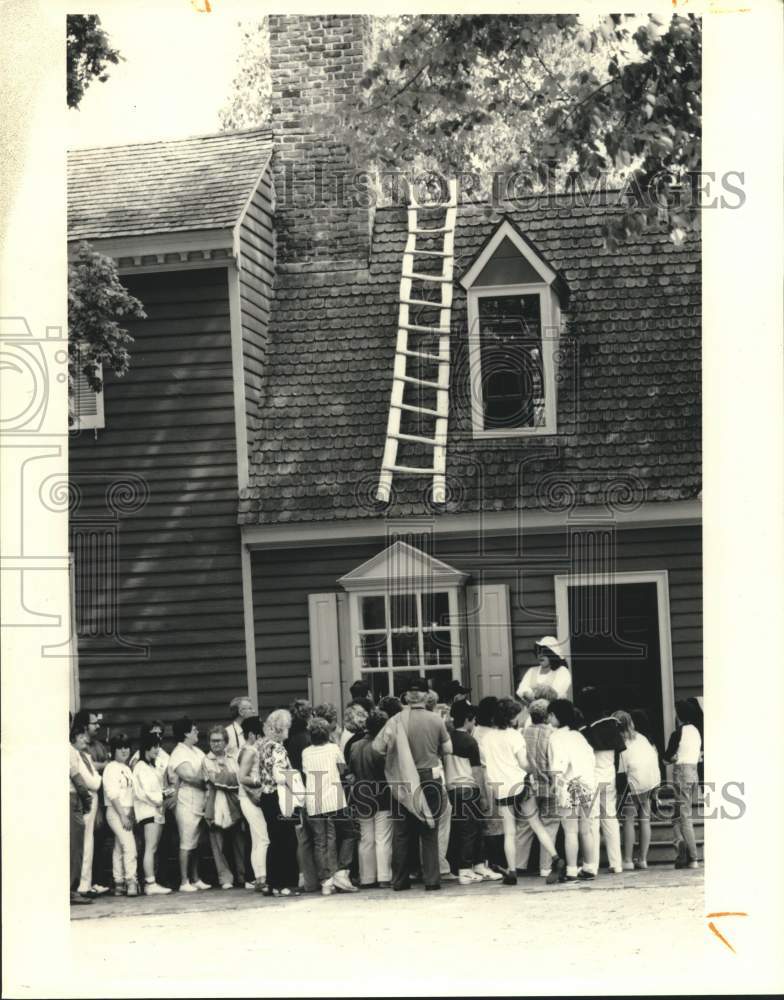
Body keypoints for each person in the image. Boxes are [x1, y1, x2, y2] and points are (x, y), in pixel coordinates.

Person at [372, 678, 451, 892]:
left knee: (402, 832)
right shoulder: (436, 720)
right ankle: (432, 880)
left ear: (406, 696)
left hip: (402, 780)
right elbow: (448, 749)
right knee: (429, 830)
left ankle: (400, 880)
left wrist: (395, 758)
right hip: (430, 777)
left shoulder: (395, 720)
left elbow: (377, 748)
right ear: (427, 696)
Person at [480, 697, 565, 886]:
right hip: (520, 784)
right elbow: (524, 763)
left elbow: (487, 763)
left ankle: (512, 872)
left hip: (501, 788)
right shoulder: (515, 735)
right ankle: (556, 858)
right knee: (536, 824)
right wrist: (533, 771)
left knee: (509, 832)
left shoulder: (486, 738)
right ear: (510, 718)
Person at [302, 716, 357, 895]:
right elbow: (343, 769)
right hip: (334, 799)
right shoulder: (334, 748)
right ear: (327, 733)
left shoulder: (306, 752)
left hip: (314, 800)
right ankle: (340, 872)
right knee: (343, 835)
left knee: (320, 841)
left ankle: (326, 880)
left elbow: (306, 772)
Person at [547, 699, 597, 882]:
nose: (549, 718)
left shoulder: (556, 737)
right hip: (588, 784)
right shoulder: (578, 736)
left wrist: (555, 783)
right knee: (586, 830)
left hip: (568, 785)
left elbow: (559, 764)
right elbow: (591, 759)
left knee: (570, 831)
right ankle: (590, 867)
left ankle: (571, 870)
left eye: (550, 715)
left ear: (556, 715)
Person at [443, 701, 492, 885]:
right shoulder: (470, 741)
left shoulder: (447, 738)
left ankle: (474, 865)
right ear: (468, 720)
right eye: (473, 721)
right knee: (471, 830)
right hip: (468, 788)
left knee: (461, 829)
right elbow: (477, 771)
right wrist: (484, 796)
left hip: (451, 788)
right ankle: (466, 869)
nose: (474, 724)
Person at [578, 687, 626, 876]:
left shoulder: (586, 728)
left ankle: (593, 864)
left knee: (592, 821)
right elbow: (618, 754)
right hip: (609, 776)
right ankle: (617, 863)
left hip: (592, 777)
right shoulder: (612, 724)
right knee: (610, 819)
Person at [346, 710, 393, 888]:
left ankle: (367, 877)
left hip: (361, 796)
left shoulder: (355, 746)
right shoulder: (382, 747)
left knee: (366, 839)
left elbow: (351, 771)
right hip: (382, 795)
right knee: (383, 838)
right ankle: (384, 877)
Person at [258, 709, 301, 896]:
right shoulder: (278, 748)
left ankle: (271, 882)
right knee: (287, 839)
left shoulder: (263, 745)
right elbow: (279, 775)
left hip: (266, 796)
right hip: (280, 796)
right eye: (287, 727)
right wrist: (295, 778)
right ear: (282, 728)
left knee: (274, 840)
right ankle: (285, 884)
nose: (288, 731)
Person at [517, 698, 560, 878]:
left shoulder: (522, 733)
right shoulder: (553, 734)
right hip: (548, 784)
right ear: (547, 716)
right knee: (549, 823)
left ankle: (518, 864)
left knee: (526, 824)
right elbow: (554, 761)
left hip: (528, 784)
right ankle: (546, 867)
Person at [612, 710, 660, 870]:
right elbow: (653, 758)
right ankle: (642, 859)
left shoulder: (620, 741)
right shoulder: (642, 737)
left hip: (633, 781)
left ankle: (627, 860)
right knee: (645, 820)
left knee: (629, 820)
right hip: (651, 779)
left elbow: (620, 770)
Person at [203, 725, 248, 889]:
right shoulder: (206, 759)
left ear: (226, 742)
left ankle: (244, 876)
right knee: (218, 844)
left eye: (218, 741)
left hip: (235, 804)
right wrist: (231, 777)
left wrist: (228, 778)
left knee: (239, 841)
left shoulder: (234, 757)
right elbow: (216, 780)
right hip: (214, 805)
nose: (215, 744)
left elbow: (240, 779)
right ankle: (225, 878)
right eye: (212, 741)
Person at [169, 716, 209, 892]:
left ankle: (196, 877)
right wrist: (207, 780)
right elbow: (189, 776)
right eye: (194, 729)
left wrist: (206, 778)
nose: (197, 732)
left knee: (197, 841)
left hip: (200, 801)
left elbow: (206, 771)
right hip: (186, 801)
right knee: (186, 841)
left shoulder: (197, 751)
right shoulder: (179, 753)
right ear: (185, 733)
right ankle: (184, 881)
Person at [74, 708, 112, 893]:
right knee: (85, 843)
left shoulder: (91, 750)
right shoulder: (77, 753)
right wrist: (101, 771)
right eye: (93, 723)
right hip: (86, 801)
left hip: (98, 801)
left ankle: (90, 882)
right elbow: (93, 781)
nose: (97, 726)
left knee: (94, 842)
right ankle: (82, 884)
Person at [132, 733, 173, 895]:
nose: (158, 750)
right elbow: (147, 793)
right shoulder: (141, 767)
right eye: (155, 746)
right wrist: (162, 796)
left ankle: (151, 881)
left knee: (152, 848)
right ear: (147, 748)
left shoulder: (150, 766)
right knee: (150, 847)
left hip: (155, 810)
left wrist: (163, 793)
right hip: (148, 811)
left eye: (159, 746)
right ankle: (150, 883)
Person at [663, 699, 702, 869]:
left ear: (679, 714)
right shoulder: (697, 731)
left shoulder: (678, 733)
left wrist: (672, 758)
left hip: (681, 773)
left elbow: (666, 759)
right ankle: (682, 854)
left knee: (683, 816)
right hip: (694, 772)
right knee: (678, 815)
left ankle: (693, 857)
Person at [286, 699, 318, 893]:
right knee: (311, 837)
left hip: (292, 785)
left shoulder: (289, 737)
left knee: (299, 836)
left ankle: (303, 876)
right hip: (306, 787)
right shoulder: (307, 739)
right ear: (309, 715)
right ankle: (310, 878)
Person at [102, 733, 139, 896]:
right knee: (129, 845)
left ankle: (118, 883)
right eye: (120, 748)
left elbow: (130, 794)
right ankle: (131, 881)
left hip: (126, 811)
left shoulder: (126, 768)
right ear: (114, 750)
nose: (124, 751)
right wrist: (123, 816)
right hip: (116, 811)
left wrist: (130, 813)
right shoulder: (111, 768)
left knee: (120, 846)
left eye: (126, 747)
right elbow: (112, 794)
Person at [237, 716, 270, 892]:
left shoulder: (245, 749)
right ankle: (262, 876)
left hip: (246, 798)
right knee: (263, 838)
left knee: (257, 838)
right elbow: (242, 777)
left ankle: (259, 876)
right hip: (250, 797)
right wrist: (262, 780)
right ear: (252, 734)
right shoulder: (250, 751)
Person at [69, 722, 95, 905]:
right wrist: (87, 799)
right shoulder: (69, 751)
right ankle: (71, 890)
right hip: (71, 799)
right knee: (75, 846)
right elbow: (76, 778)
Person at [516, 637, 572, 702]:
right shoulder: (531, 671)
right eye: (538, 652)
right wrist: (527, 694)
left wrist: (533, 694)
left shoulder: (562, 671)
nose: (540, 655)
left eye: (544, 652)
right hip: (532, 710)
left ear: (552, 654)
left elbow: (555, 694)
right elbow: (522, 690)